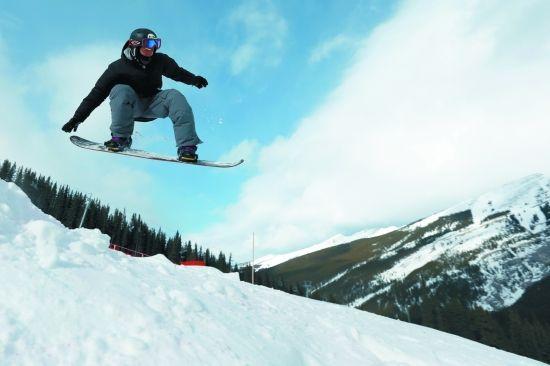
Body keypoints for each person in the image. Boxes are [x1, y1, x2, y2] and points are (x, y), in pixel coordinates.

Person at [62, 28, 208, 162]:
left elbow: (178, 73)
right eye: (145, 49)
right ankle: (121, 138)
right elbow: (97, 94)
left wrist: (194, 80)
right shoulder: (117, 68)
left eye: (153, 49)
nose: (150, 53)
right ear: (134, 46)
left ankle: (187, 148)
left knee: (175, 96)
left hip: (153, 104)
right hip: (131, 107)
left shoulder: (160, 60)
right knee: (120, 89)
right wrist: (77, 118)